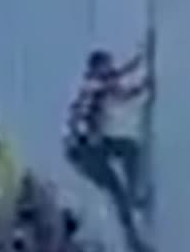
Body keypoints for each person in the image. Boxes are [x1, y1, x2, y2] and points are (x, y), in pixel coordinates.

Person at [64, 48, 151, 252]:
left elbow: (117, 74)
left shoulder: (93, 81)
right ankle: (134, 242)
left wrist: (138, 58)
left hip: (87, 145)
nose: (110, 68)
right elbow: (123, 94)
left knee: (130, 150)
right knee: (116, 189)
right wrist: (145, 85)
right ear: (97, 68)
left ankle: (134, 197)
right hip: (84, 151)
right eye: (106, 65)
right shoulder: (95, 86)